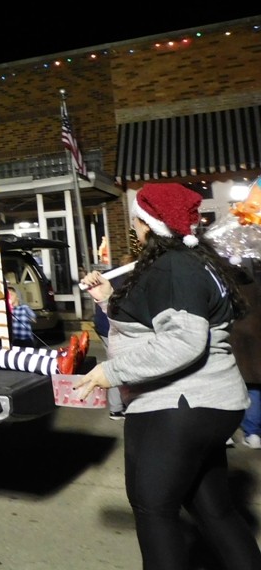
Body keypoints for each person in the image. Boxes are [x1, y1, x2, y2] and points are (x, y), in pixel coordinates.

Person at [75, 183, 261, 570]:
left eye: (137, 221)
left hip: (176, 406)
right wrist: (108, 299)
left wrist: (110, 372)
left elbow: (183, 341)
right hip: (210, 405)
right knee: (214, 511)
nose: (135, 228)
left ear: (149, 224)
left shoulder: (174, 266)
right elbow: (151, 326)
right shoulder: (193, 262)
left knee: (154, 511)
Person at [93, 254, 134, 420]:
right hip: (114, 327)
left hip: (101, 326)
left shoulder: (109, 275)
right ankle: (121, 407)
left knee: (112, 363)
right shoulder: (129, 280)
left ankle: (116, 408)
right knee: (120, 366)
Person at [229, 255, 261, 448]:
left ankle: (226, 433)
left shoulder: (228, 291)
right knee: (254, 389)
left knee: (228, 387)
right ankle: (253, 433)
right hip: (255, 343)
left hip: (233, 342)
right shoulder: (256, 288)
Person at [7, 284, 38, 348]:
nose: (9, 297)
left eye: (11, 295)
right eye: (8, 296)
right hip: (15, 340)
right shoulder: (9, 310)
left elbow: (33, 318)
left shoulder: (24, 308)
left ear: (17, 296)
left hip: (27, 339)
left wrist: (30, 319)